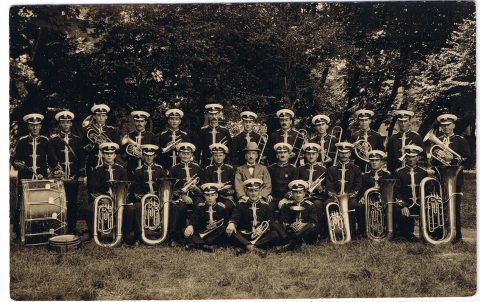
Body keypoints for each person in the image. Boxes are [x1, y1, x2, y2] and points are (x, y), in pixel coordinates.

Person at [428, 114, 472, 242]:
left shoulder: (460, 140)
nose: (446, 127)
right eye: (443, 125)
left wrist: (452, 158)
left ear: (453, 125)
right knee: (439, 206)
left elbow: (468, 160)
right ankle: (440, 233)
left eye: (448, 125)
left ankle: (456, 236)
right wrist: (435, 157)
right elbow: (434, 162)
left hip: (455, 178)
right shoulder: (438, 140)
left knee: (454, 207)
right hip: (440, 178)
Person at [12, 113, 49, 239]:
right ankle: (19, 233)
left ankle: (39, 231)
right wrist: (18, 164)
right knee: (22, 205)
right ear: (28, 126)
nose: (35, 128)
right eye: (32, 125)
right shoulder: (22, 141)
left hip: (41, 178)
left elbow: (50, 159)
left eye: (37, 125)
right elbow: (15, 159)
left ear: (41, 126)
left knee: (41, 204)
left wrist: (46, 173)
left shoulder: (45, 141)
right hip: (25, 179)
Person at [47, 110, 85, 234]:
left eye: (67, 122)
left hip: (73, 177)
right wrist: (57, 169)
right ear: (60, 124)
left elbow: (81, 158)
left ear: (71, 124)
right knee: (58, 203)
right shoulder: (54, 140)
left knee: (73, 203)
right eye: (63, 122)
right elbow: (52, 157)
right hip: (60, 178)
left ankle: (72, 228)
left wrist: (81, 175)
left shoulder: (78, 140)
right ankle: (59, 227)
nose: (65, 125)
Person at [226, 178, 280, 256]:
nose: (253, 193)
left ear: (259, 191)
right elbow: (235, 217)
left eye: (256, 190)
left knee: (274, 234)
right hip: (245, 233)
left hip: (260, 235)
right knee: (233, 232)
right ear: (246, 191)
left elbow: (270, 221)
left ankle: (246, 246)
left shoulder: (265, 205)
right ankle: (253, 247)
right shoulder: (241, 204)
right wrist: (231, 223)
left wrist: (263, 230)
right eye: (251, 191)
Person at [87, 142, 128, 241]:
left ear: (115, 155)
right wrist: (101, 199)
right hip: (102, 199)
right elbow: (92, 189)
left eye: (111, 153)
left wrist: (121, 199)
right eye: (106, 153)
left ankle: (124, 236)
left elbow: (126, 186)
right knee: (89, 210)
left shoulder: (121, 169)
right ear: (103, 155)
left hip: (118, 200)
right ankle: (94, 236)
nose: (109, 155)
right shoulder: (97, 170)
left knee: (129, 210)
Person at [128, 144, 167, 246]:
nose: (149, 157)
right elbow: (134, 189)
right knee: (137, 207)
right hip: (143, 199)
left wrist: (159, 196)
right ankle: (138, 236)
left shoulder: (160, 169)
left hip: (158, 198)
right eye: (146, 155)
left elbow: (165, 186)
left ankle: (164, 234)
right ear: (143, 156)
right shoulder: (137, 171)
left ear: (154, 156)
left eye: (151, 155)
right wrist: (143, 197)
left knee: (167, 206)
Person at [325, 142, 363, 240]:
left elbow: (358, 186)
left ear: (350, 154)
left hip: (350, 197)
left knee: (354, 205)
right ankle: (331, 233)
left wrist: (348, 196)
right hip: (335, 197)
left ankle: (352, 232)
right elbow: (329, 186)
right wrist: (335, 197)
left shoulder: (356, 169)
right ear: (338, 153)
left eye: (346, 153)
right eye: (341, 153)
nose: (344, 155)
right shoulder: (331, 169)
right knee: (327, 204)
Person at [168, 142, 202, 242]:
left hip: (195, 195)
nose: (185, 156)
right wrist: (182, 196)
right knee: (180, 207)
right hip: (180, 196)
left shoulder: (197, 167)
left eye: (188, 153)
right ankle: (177, 235)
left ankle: (195, 230)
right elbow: (172, 187)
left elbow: (202, 183)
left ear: (191, 154)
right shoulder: (174, 168)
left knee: (200, 204)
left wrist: (196, 188)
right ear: (179, 154)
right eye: (183, 153)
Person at [183, 183, 229, 252]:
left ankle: (199, 244)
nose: (210, 198)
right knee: (185, 230)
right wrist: (190, 226)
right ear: (204, 195)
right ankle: (206, 245)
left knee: (223, 228)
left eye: (212, 195)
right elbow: (194, 220)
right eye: (207, 195)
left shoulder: (221, 208)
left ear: (216, 195)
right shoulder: (200, 207)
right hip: (202, 231)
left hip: (214, 234)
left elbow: (225, 222)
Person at [82, 104, 120, 183]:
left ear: (106, 117)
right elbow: (84, 149)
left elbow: (117, 147)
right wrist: (94, 144)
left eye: (103, 115)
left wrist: (105, 144)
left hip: (108, 162)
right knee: (92, 187)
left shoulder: (112, 130)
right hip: (93, 162)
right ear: (95, 117)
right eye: (98, 115)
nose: (101, 118)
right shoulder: (88, 130)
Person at [277, 180, 318, 251]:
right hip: (292, 231)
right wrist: (291, 225)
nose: (298, 195)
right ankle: (296, 243)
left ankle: (291, 244)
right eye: (295, 192)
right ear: (292, 193)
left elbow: (314, 222)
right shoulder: (287, 205)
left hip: (307, 235)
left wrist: (303, 225)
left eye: (300, 192)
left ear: (304, 193)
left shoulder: (310, 205)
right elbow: (283, 220)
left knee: (310, 226)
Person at [297, 143, 327, 238]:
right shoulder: (300, 169)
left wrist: (320, 188)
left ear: (317, 155)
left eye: (313, 154)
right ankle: (300, 231)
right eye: (309, 154)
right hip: (303, 196)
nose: (311, 156)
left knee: (318, 204)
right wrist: (304, 184)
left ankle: (317, 232)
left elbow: (327, 188)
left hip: (317, 196)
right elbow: (295, 184)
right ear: (305, 155)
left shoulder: (323, 170)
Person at [358, 150, 391, 238]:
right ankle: (363, 232)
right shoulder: (365, 176)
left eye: (377, 160)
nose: (374, 162)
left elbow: (390, 190)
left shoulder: (387, 175)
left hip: (384, 200)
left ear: (382, 162)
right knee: (360, 206)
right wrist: (362, 197)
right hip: (370, 200)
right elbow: (362, 190)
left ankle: (388, 231)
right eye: (372, 160)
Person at [200, 143, 235, 219]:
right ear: (212, 156)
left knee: (227, 206)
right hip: (211, 197)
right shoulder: (208, 169)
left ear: (224, 156)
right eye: (216, 155)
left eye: (220, 155)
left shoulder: (230, 169)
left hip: (225, 196)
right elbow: (205, 184)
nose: (218, 158)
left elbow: (233, 185)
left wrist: (229, 193)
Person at [121, 110, 157, 178]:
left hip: (147, 167)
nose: (139, 123)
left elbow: (156, 153)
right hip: (132, 167)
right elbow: (123, 154)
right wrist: (131, 151)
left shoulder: (151, 136)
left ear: (145, 122)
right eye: (137, 121)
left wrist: (143, 156)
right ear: (134, 122)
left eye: (142, 121)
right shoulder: (130, 135)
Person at [268, 142, 298, 212]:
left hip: (287, 198)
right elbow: (267, 183)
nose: (282, 154)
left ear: (289, 154)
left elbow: (294, 186)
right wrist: (269, 194)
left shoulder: (293, 169)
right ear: (276, 155)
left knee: (286, 208)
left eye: (285, 152)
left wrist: (286, 198)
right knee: (267, 208)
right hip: (273, 197)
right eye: (280, 152)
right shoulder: (271, 168)